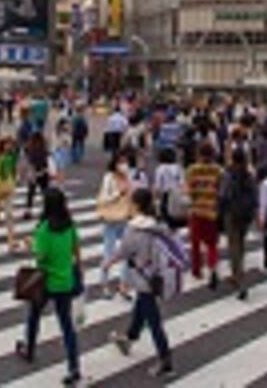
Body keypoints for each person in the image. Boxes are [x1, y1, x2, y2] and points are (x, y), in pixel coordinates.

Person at [14, 188, 83, 385]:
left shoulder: (44, 229)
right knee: (67, 326)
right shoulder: (70, 225)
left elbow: (41, 256)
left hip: (44, 282)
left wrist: (31, 244)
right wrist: (80, 268)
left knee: (34, 315)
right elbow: (76, 248)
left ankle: (29, 349)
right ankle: (74, 366)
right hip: (65, 281)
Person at [106, 188, 176, 379]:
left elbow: (124, 251)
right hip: (157, 275)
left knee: (153, 320)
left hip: (143, 277)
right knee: (142, 306)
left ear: (136, 205)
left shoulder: (134, 228)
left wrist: (108, 263)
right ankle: (129, 337)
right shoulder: (157, 224)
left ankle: (165, 358)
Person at [219, 148, 257, 300]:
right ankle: (238, 272)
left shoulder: (228, 175)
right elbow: (255, 195)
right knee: (240, 242)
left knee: (233, 245)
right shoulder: (249, 175)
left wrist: (220, 210)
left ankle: (239, 279)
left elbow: (223, 194)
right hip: (246, 213)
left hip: (232, 213)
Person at [185, 142, 223, 289]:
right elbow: (221, 190)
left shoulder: (192, 170)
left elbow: (188, 190)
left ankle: (197, 270)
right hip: (212, 209)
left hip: (196, 209)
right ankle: (212, 267)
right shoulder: (218, 170)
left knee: (195, 242)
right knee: (212, 243)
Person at [97, 152, 134, 299]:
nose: (124, 165)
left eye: (126, 161)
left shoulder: (128, 177)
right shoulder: (109, 178)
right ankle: (105, 285)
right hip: (111, 219)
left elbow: (131, 196)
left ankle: (123, 285)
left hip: (125, 218)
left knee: (126, 253)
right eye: (121, 161)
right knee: (109, 252)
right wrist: (119, 193)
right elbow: (104, 198)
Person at [0, 136, 19, 250]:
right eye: (7, 144)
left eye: (10, 144)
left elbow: (14, 171)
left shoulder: (12, 156)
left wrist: (14, 180)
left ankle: (11, 240)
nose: (9, 146)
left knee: (9, 214)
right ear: (2, 145)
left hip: (9, 188)